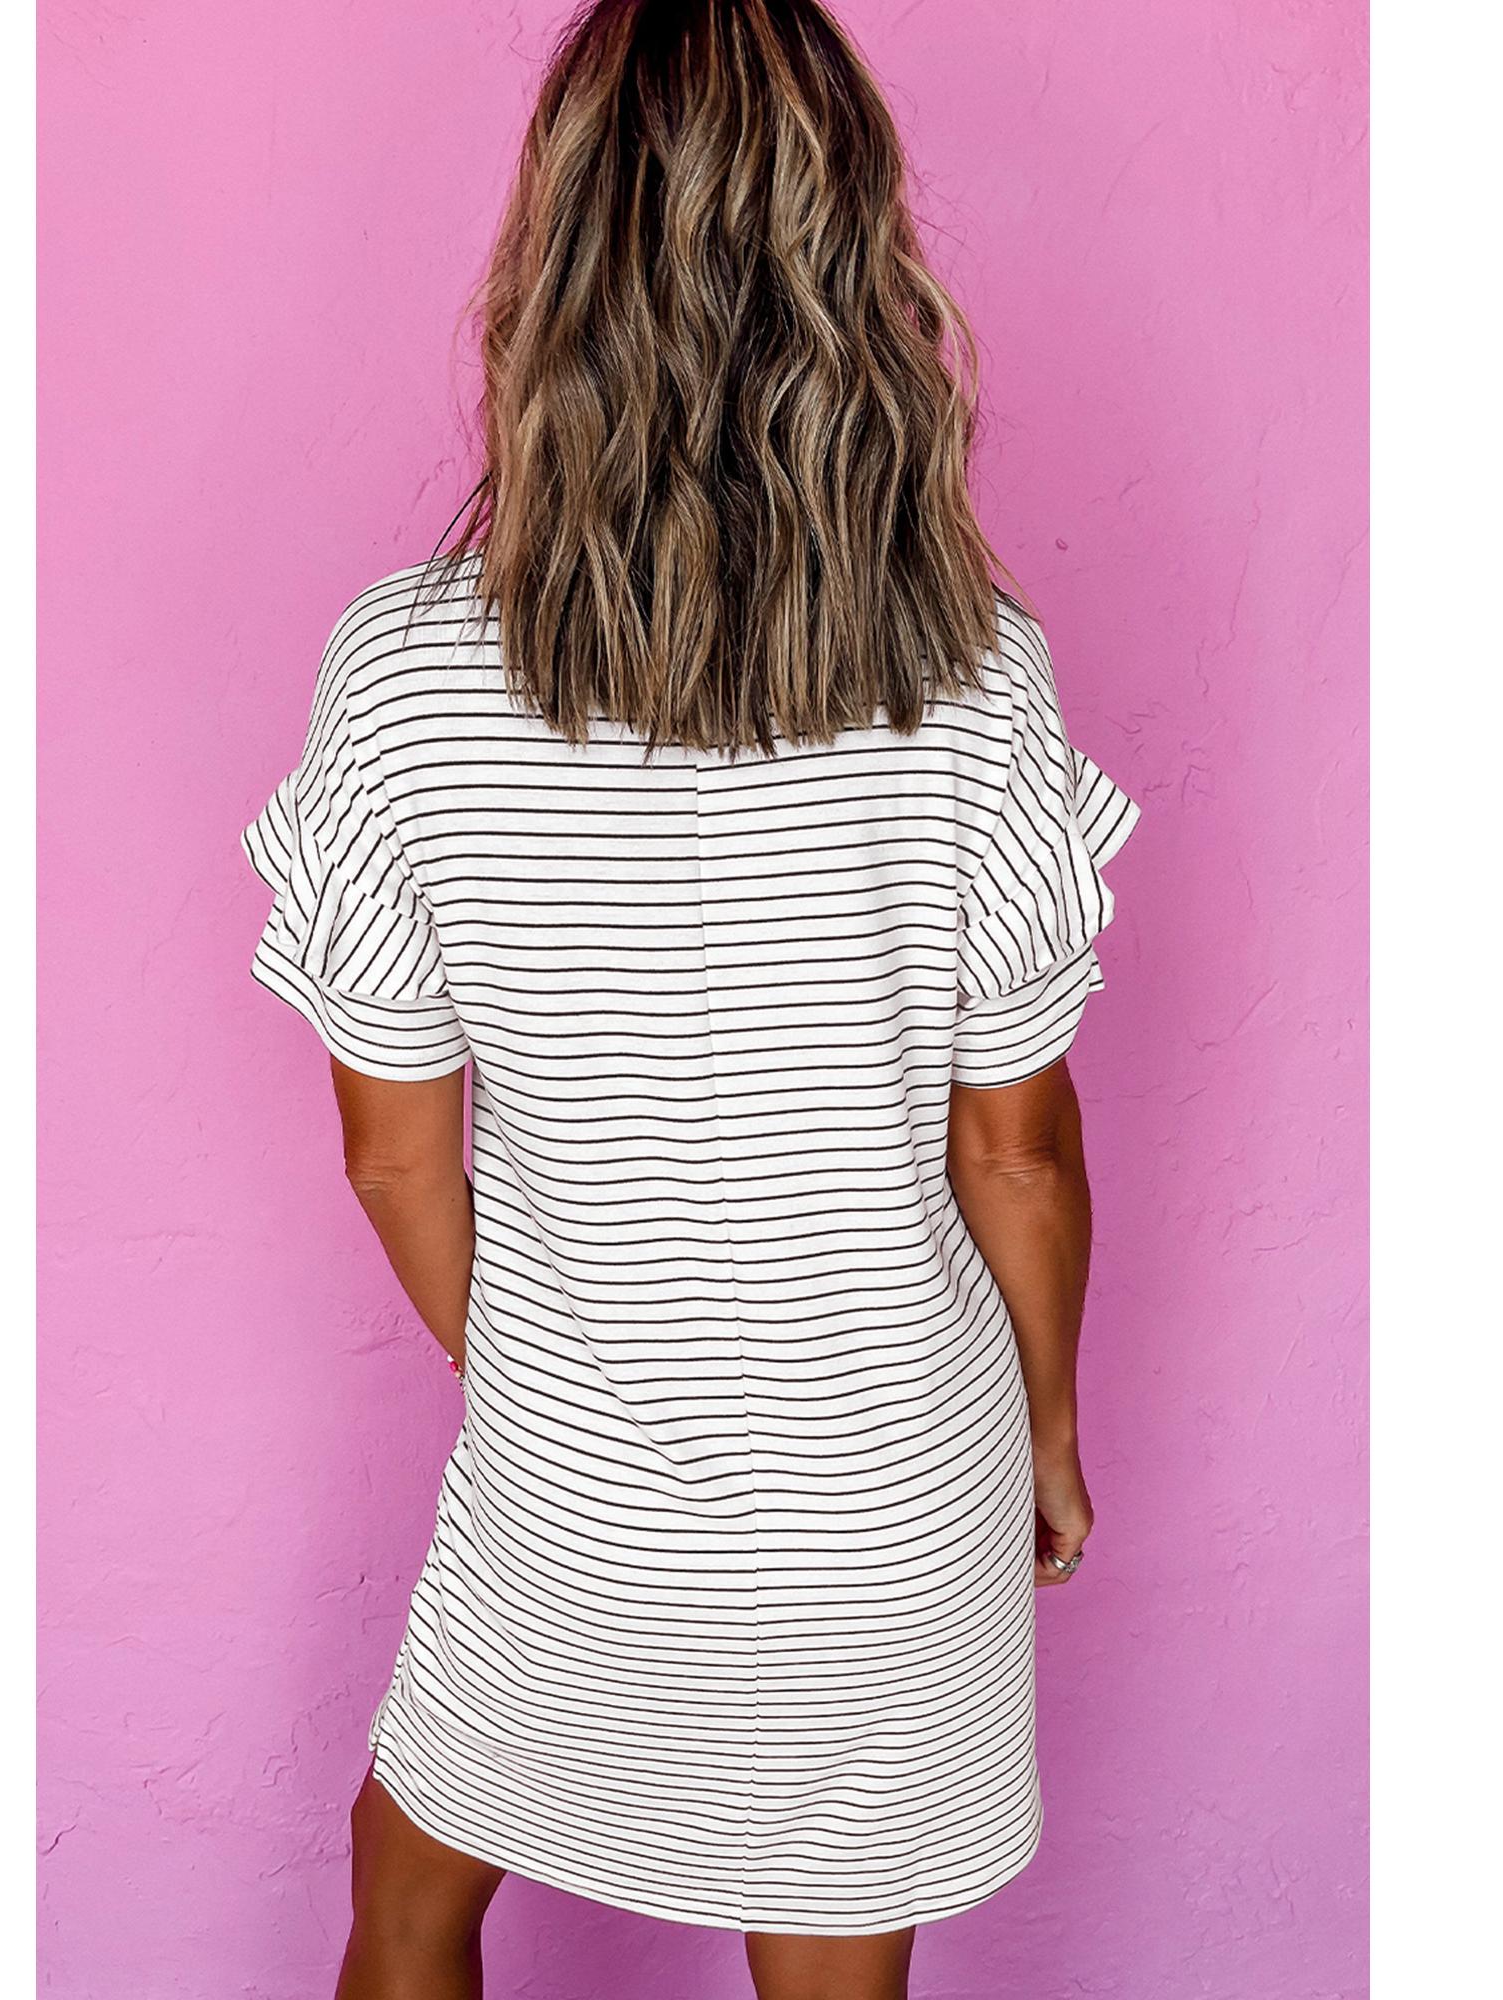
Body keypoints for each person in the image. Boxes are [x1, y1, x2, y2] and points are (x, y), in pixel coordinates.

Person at [241, 3, 1139, 1995]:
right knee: (831, 1954)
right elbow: (1013, 1150)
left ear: (555, 267)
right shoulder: (976, 674)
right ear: (854, 266)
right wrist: (1049, 1425)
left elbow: (397, 1158)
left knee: (406, 1895)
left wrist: (549, 1377)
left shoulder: (401, 675)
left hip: (576, 1483)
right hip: (892, 1486)